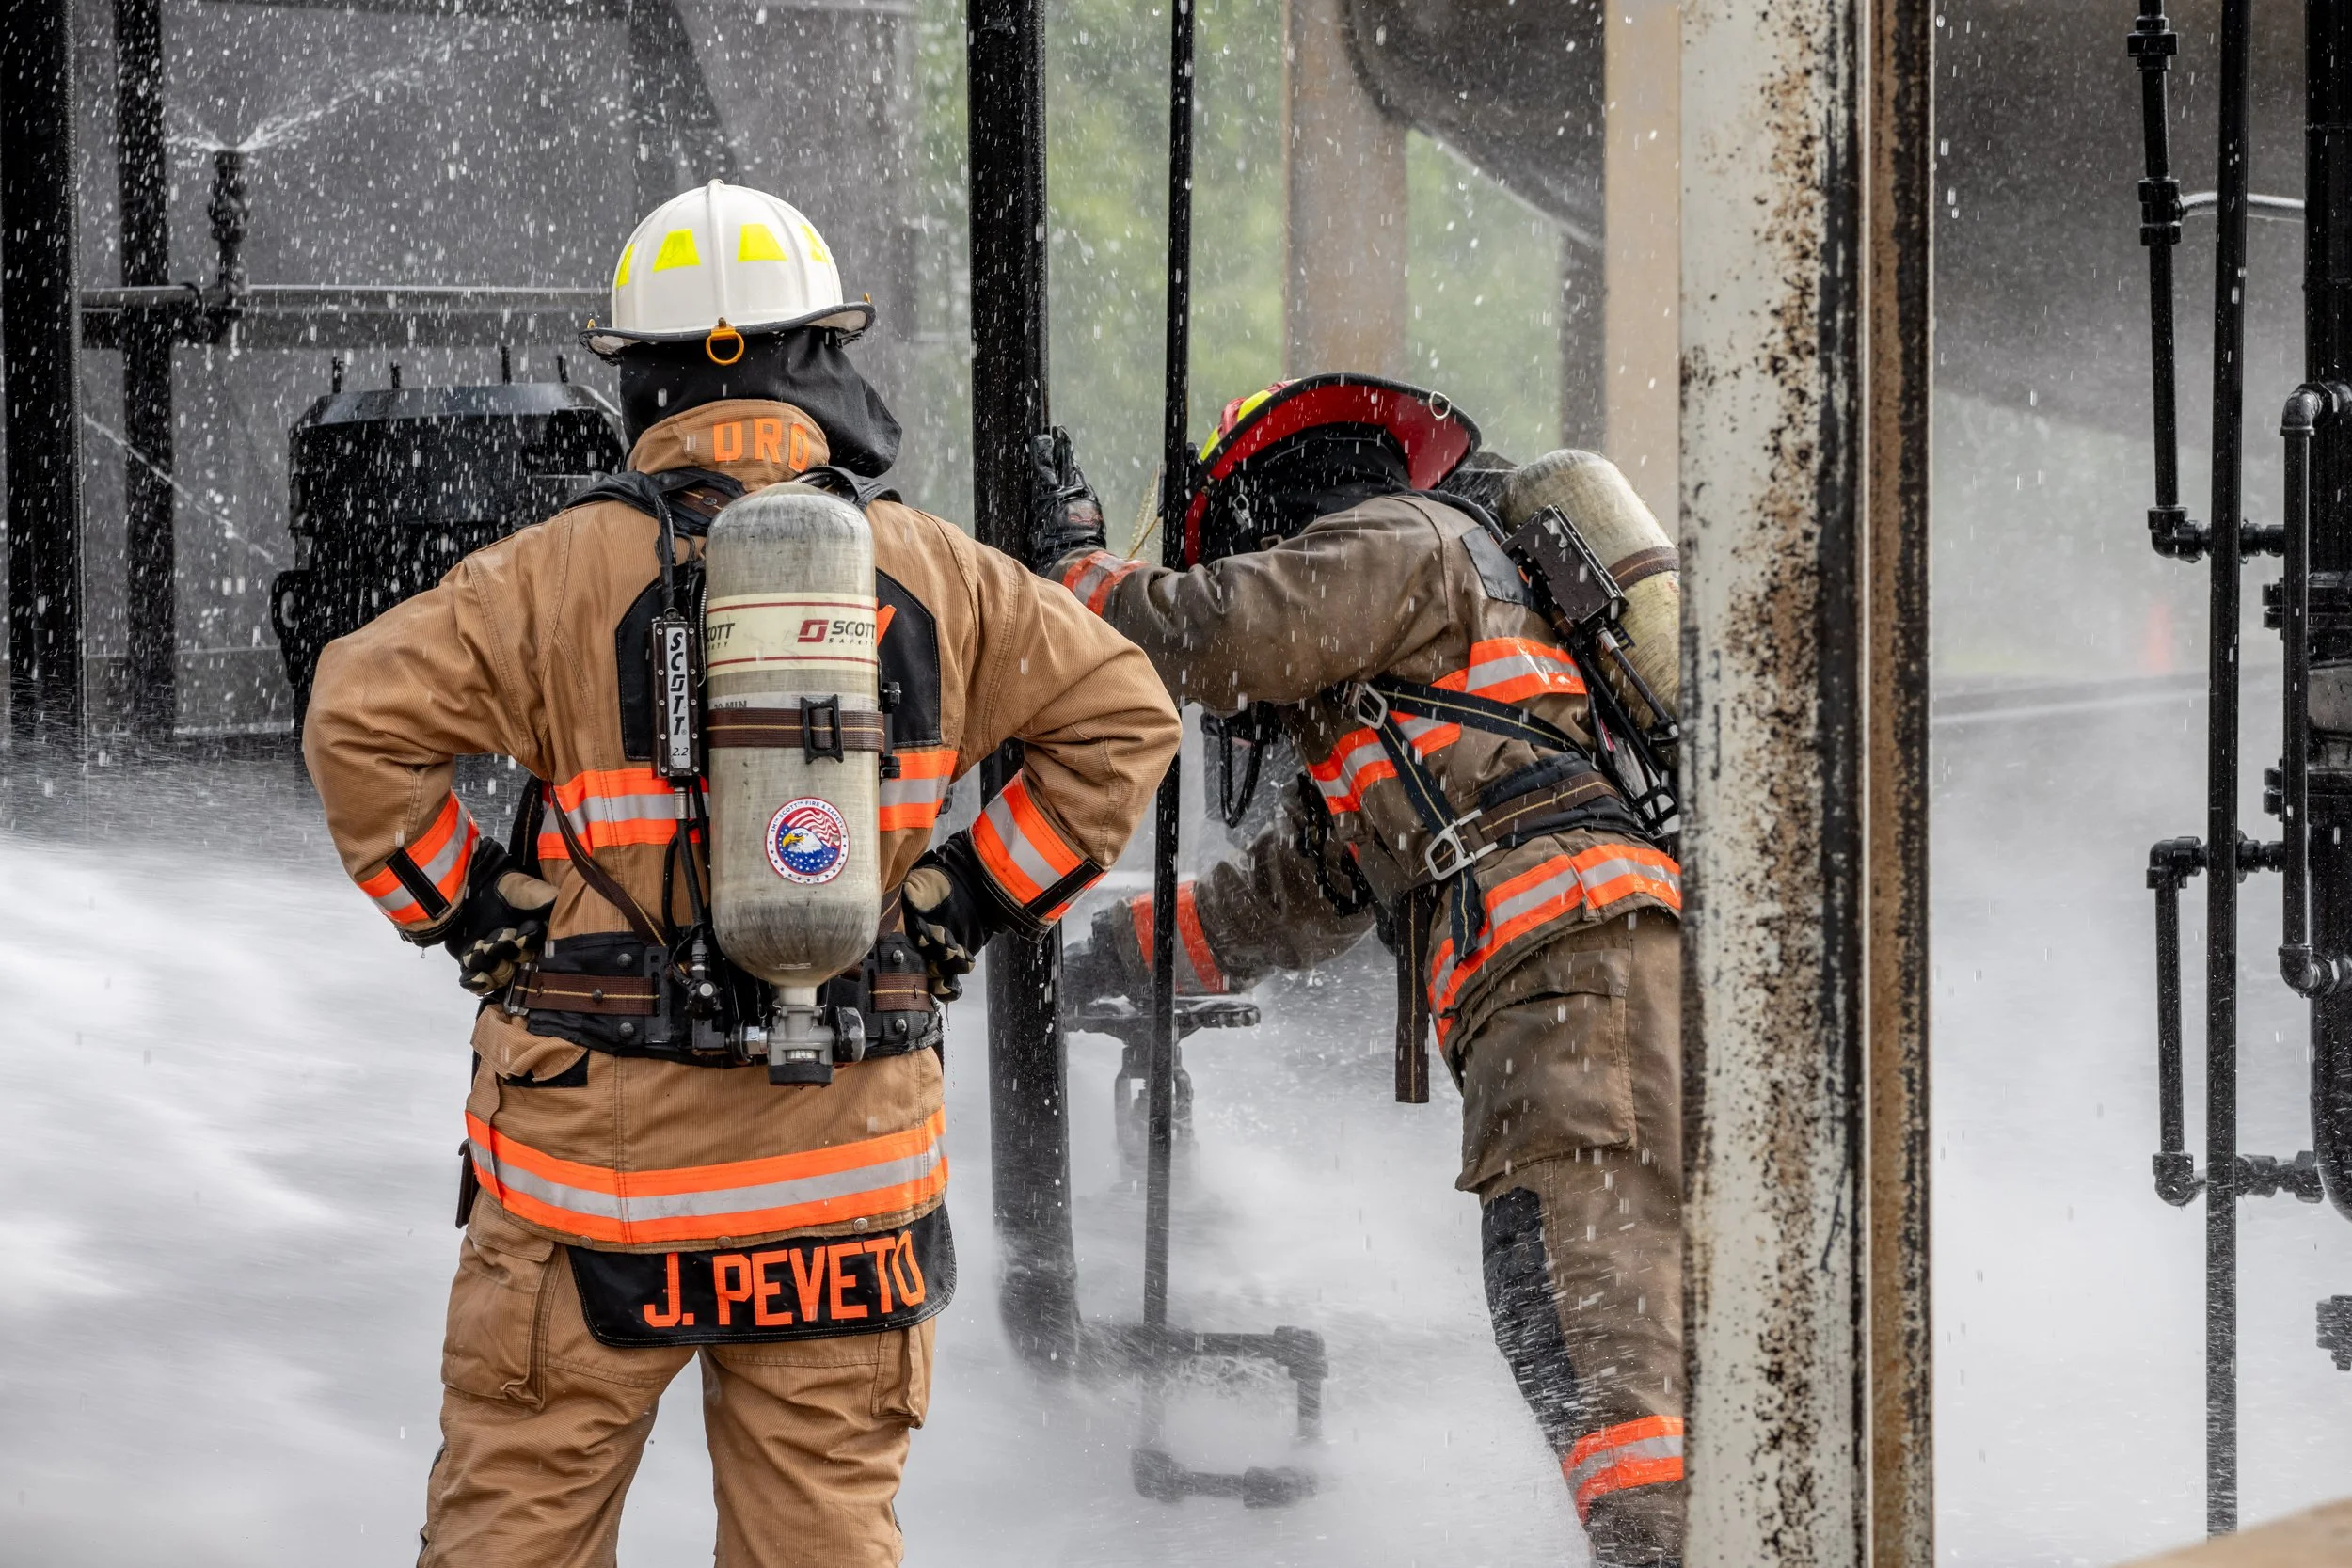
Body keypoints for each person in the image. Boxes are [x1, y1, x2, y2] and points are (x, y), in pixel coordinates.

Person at [302, 180, 1179, 1567]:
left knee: (513, 1537)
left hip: (598, 1182)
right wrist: (962, 901)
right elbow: (1126, 717)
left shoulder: (544, 578)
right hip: (844, 1178)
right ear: (817, 357)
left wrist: (462, 904)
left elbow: (354, 716)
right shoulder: (935, 572)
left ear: (640, 374)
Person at [1033, 375, 1687, 1566]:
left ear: (1267, 507)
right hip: (1609, 978)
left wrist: (1072, 573)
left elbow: (1213, 631)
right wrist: (1119, 954)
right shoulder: (1421, 686)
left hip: (1568, 995)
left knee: (1588, 1337)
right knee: (1630, 1327)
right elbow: (1307, 892)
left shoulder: (1401, 539)